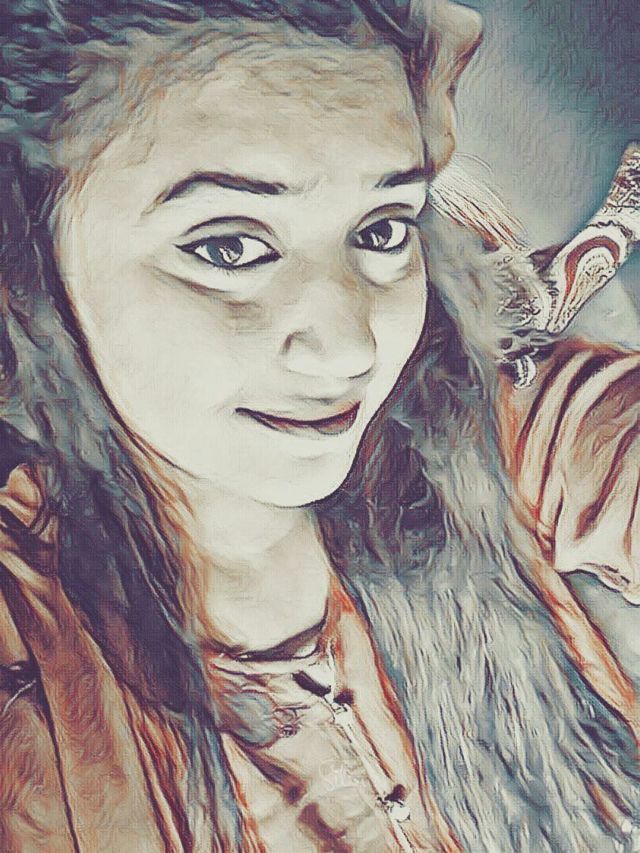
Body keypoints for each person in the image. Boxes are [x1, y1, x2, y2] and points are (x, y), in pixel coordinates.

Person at [0, 1, 638, 850]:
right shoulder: (33, 674)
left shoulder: (488, 435)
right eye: (228, 246)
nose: (351, 347)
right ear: (34, 267)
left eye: (382, 229)